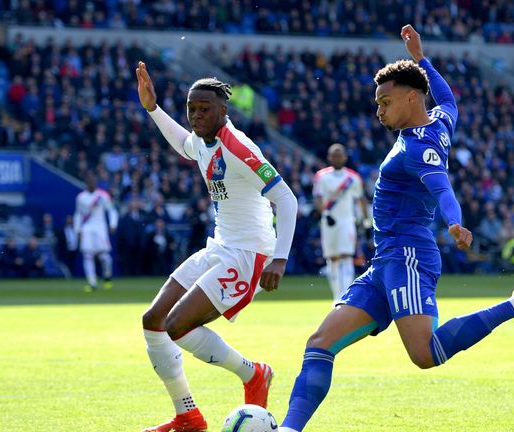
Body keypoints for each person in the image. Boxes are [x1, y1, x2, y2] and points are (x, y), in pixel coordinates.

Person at [277, 25, 514, 432]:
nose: (378, 110)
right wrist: (421, 60)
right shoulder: (438, 119)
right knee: (319, 344)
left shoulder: (420, 147)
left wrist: (454, 221)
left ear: (411, 98)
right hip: (385, 261)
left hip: (408, 256)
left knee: (426, 353)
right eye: (377, 103)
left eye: (385, 102)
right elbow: (449, 99)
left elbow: (442, 187)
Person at [136, 61, 298, 432]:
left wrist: (279, 259)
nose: (196, 115)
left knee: (177, 325)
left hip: (249, 255)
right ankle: (188, 416)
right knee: (153, 321)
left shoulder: (238, 147)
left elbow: (287, 200)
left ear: (223, 110)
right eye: (191, 109)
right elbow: (184, 145)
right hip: (221, 245)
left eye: (204, 109)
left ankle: (253, 374)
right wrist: (152, 108)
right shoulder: (203, 141)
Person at [312, 143, 369, 301]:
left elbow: (361, 200)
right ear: (329, 157)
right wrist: (324, 213)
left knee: (346, 256)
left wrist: (365, 222)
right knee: (333, 258)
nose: (337, 158)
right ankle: (337, 295)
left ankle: (346, 296)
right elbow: (317, 198)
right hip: (329, 222)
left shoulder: (353, 178)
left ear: (345, 157)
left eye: (340, 155)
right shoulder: (321, 176)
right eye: (334, 155)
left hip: (346, 221)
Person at [73, 172, 118, 292]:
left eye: (93, 181)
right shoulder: (81, 197)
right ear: (86, 183)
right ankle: (92, 283)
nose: (91, 183)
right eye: (89, 181)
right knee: (88, 255)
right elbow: (78, 214)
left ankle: (107, 276)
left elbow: (112, 211)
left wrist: (113, 224)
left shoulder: (103, 196)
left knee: (105, 257)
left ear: (96, 182)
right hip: (86, 229)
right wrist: (77, 229)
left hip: (100, 229)